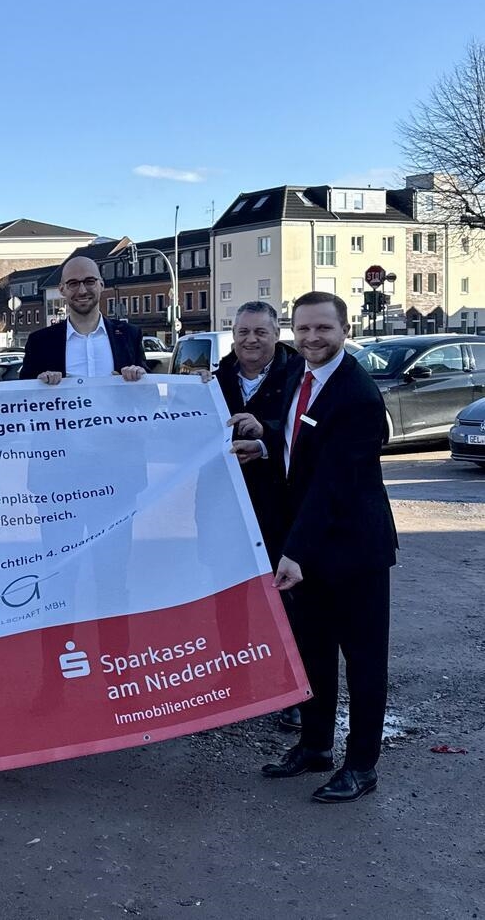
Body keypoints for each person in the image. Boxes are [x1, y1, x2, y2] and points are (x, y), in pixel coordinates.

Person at [235, 292, 397, 803]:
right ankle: (315, 746)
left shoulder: (357, 394)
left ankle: (362, 766)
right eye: (303, 328)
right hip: (308, 544)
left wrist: (294, 551)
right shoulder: (299, 376)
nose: (312, 338)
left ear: (345, 329)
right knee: (313, 653)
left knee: (363, 662)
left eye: (323, 328)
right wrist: (265, 444)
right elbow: (300, 438)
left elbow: (333, 483)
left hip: (352, 551)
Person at [212, 301, 303, 731]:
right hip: (222, 506)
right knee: (229, 598)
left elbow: (310, 430)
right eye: (243, 332)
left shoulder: (300, 374)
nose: (250, 340)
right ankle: (235, 680)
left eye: (260, 332)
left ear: (276, 334)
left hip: (282, 505)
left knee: (289, 598)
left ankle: (294, 687)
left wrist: (264, 431)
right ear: (233, 335)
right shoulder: (213, 380)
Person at [18, 256, 147, 383]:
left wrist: (141, 377)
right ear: (62, 290)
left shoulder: (129, 335)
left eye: (89, 281)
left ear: (101, 285)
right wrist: (39, 383)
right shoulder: (39, 342)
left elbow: (149, 391)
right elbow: (22, 393)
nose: (82, 291)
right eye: (73, 284)